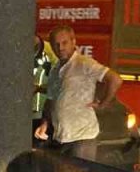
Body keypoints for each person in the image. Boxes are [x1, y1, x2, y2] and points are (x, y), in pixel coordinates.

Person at [35, 25, 122, 161]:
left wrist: (103, 103)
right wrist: (44, 124)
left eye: (64, 43)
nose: (60, 48)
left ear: (73, 42)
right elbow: (50, 100)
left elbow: (115, 79)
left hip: (82, 137)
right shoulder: (55, 70)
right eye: (56, 44)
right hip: (62, 137)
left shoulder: (84, 63)